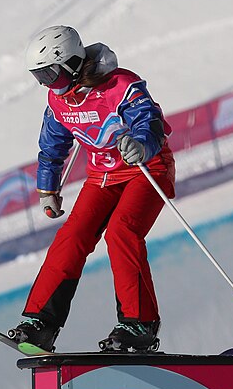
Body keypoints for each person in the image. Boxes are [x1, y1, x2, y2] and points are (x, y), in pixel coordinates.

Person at [10, 25, 175, 353]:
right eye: (40, 78)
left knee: (121, 231)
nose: (48, 85)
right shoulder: (58, 101)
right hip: (102, 177)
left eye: (52, 75)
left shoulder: (120, 85)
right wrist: (48, 189)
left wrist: (141, 144)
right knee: (72, 237)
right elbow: (53, 145)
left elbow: (149, 120)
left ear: (72, 63)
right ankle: (41, 322)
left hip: (145, 168)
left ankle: (139, 323)